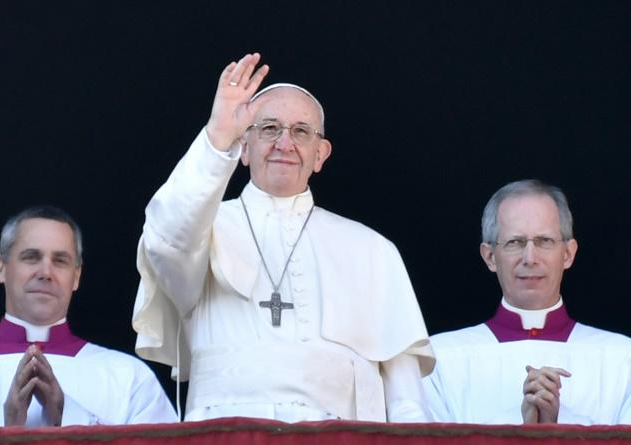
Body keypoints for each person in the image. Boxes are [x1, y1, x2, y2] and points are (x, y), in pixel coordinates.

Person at [132, 53, 434, 423]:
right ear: (244, 147)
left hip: (340, 444)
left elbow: (407, 404)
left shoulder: (373, 249)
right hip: (222, 438)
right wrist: (217, 136)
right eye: (269, 128)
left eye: (301, 132)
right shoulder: (203, 229)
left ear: (320, 155)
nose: (284, 143)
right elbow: (166, 240)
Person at [424, 179, 631, 425]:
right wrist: (526, 430)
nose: (530, 258)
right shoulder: (438, 359)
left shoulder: (625, 360)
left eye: (545, 241)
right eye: (515, 242)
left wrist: (556, 428)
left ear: (568, 254)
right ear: (490, 256)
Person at [0, 206, 177, 427]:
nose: (45, 272)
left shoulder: (129, 378)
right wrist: (4, 424)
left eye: (60, 260)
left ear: (76, 276)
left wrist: (66, 416)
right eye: (31, 257)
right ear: (1, 268)